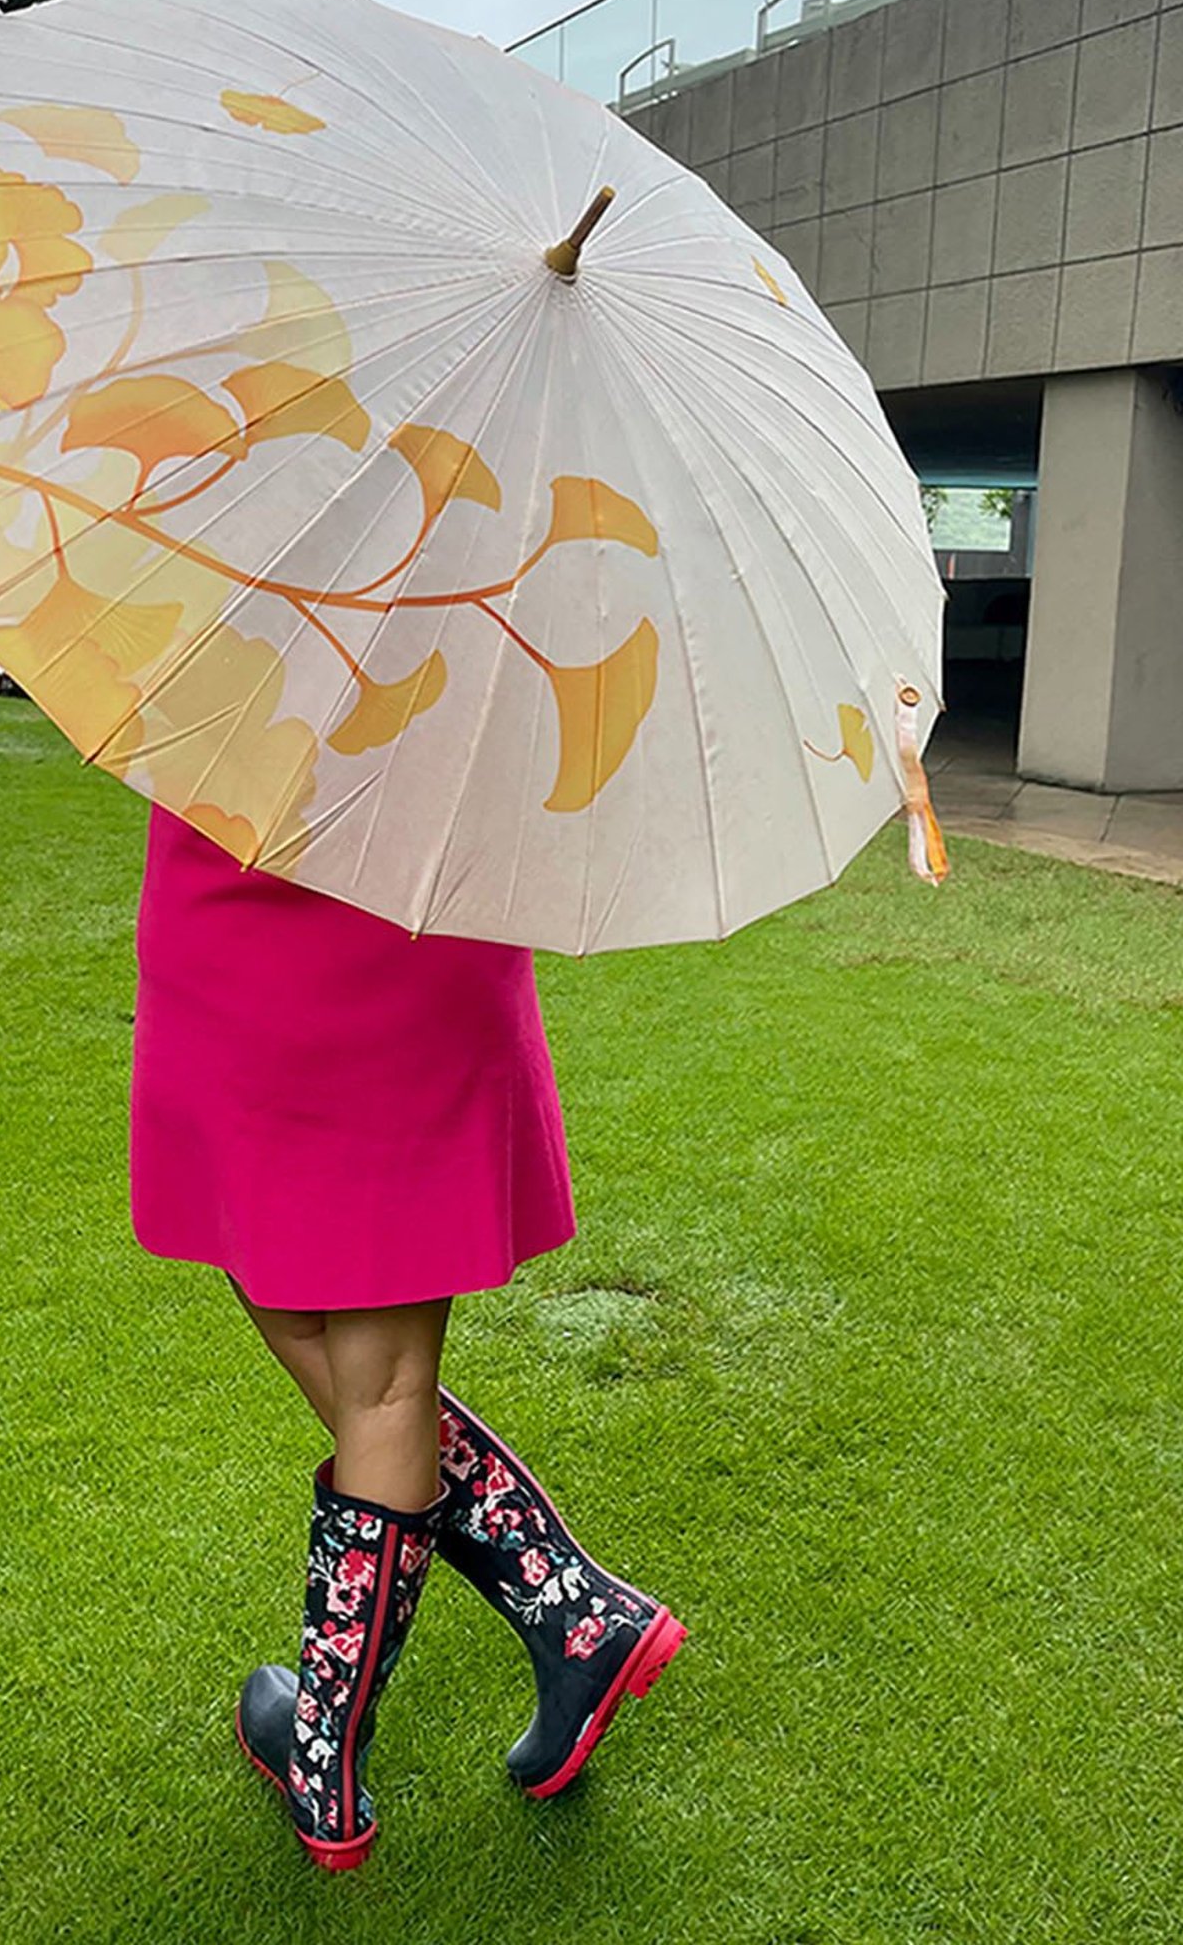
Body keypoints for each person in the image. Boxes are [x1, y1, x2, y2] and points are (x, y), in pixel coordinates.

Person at [128, 800, 687, 1871]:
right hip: (426, 903)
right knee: (372, 1375)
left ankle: (325, 1756)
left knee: (370, 1377)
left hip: (255, 909)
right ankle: (575, 1615)